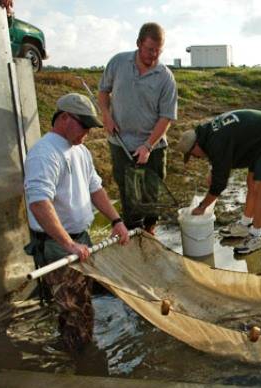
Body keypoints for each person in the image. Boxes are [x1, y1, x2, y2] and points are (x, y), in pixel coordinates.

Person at [24, 93, 130, 352]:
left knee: (81, 305)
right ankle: (79, 366)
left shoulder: (80, 151)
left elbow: (96, 189)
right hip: (59, 246)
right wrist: (68, 243)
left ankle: (76, 349)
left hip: (79, 240)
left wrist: (116, 220)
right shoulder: (44, 153)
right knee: (75, 313)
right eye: (83, 125)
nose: (87, 132)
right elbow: (39, 202)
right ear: (64, 119)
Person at [98, 22, 178, 234]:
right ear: (139, 43)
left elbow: (166, 117)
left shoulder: (165, 77)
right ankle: (133, 232)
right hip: (120, 142)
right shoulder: (118, 63)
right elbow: (103, 92)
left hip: (153, 146)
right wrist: (106, 116)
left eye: (158, 51)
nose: (154, 56)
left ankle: (150, 231)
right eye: (150, 50)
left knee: (152, 195)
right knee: (128, 193)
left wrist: (148, 146)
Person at [175, 109, 261, 255]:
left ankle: (256, 236)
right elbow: (219, 150)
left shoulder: (216, 141)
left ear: (196, 145)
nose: (196, 158)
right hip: (258, 139)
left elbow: (219, 184)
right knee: (251, 183)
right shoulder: (207, 133)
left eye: (193, 155)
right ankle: (245, 225)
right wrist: (213, 169)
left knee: (259, 188)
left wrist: (202, 206)